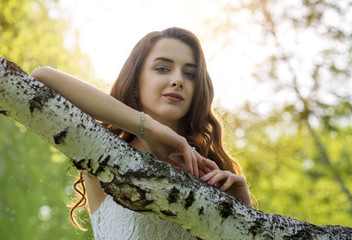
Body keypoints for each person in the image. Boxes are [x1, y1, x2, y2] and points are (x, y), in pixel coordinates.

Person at [31, 27, 252, 240]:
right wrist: (152, 128)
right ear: (136, 82)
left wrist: (246, 212)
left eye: (189, 73)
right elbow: (42, 78)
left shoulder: (211, 175)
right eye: (163, 68)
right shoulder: (103, 154)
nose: (178, 80)